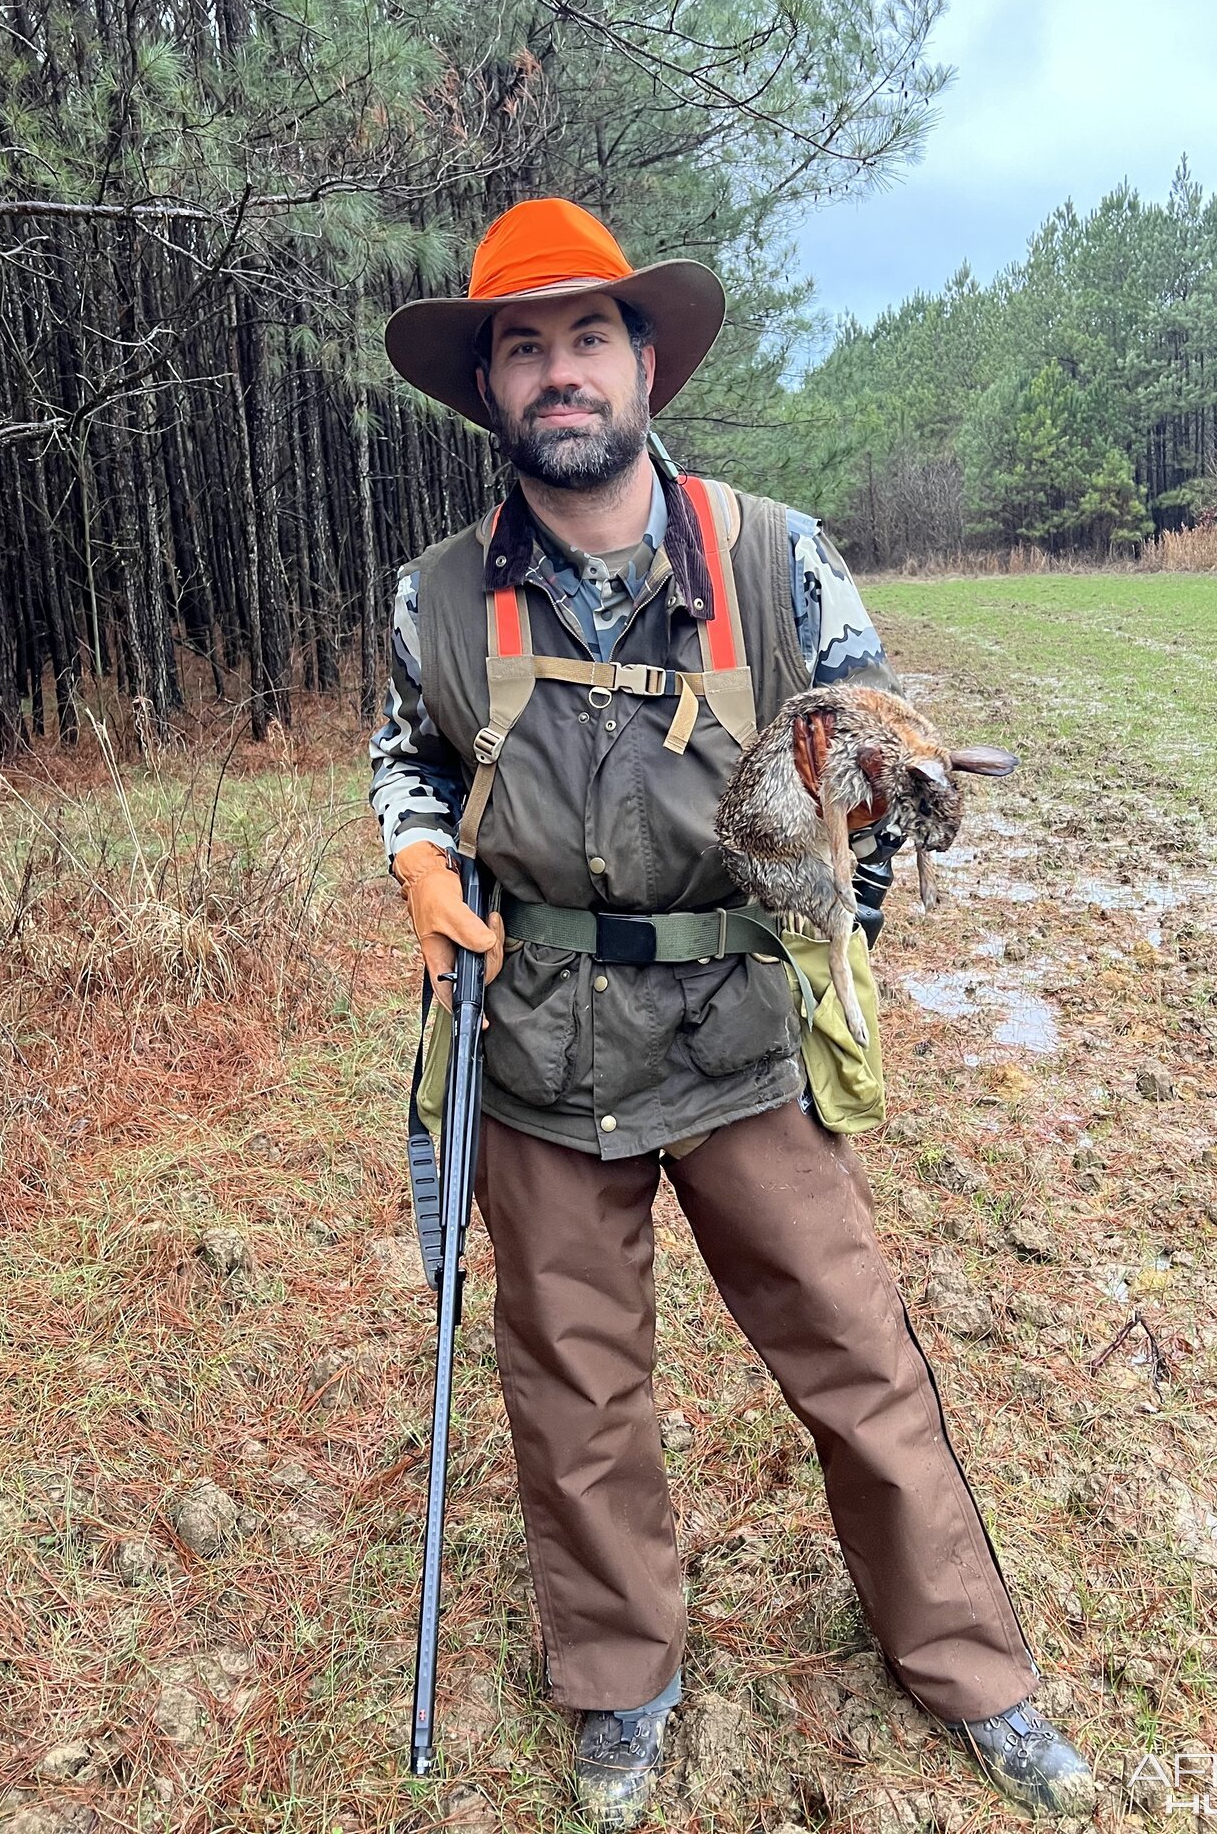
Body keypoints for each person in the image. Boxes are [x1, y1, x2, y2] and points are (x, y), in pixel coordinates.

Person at [369, 198, 1093, 1830]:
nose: (561, 374)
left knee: (859, 1359)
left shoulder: (776, 557)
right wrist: (420, 859)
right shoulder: (436, 601)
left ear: (645, 363)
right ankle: (623, 1688)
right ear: (492, 389)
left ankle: (970, 1668)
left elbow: (879, 766)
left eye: (588, 338)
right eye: (524, 348)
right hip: (542, 1042)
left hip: (741, 1036)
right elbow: (406, 759)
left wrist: (846, 916)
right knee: (574, 1387)